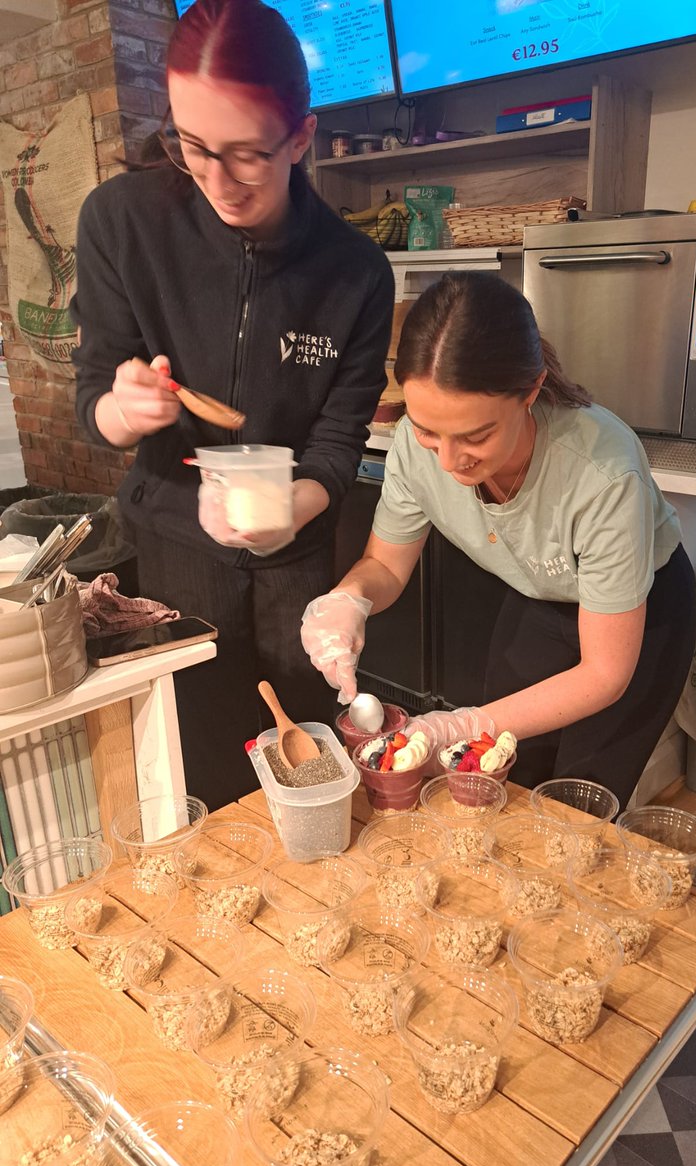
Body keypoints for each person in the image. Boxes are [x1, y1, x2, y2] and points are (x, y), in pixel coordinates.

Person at [71, 0, 394, 807]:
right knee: (199, 769)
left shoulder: (354, 271)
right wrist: (120, 409)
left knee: (308, 762)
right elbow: (94, 398)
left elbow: (338, 443)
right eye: (193, 146)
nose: (218, 180)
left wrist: (291, 509)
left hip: (296, 556)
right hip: (173, 542)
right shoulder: (121, 223)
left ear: (300, 137)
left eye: (247, 154)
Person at [301, 272, 696, 804]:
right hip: (538, 596)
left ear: (530, 390)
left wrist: (461, 724)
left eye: (476, 435)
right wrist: (349, 599)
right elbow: (387, 566)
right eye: (427, 430)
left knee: (577, 804)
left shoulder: (601, 473)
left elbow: (604, 673)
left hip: (640, 616)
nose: (448, 460)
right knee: (503, 771)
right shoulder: (417, 451)